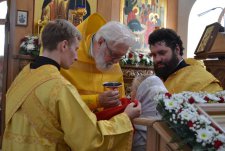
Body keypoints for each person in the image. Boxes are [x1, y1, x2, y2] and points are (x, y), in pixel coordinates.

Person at [2, 19, 141, 151]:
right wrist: (125, 118)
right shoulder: (59, 87)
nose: (76, 56)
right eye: (75, 49)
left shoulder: (22, 77)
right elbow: (90, 139)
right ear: (64, 46)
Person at [61, 13, 136, 111]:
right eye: (114, 55)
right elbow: (59, 99)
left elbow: (119, 102)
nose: (116, 62)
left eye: (120, 57)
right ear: (101, 42)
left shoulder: (114, 65)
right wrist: (96, 101)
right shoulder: (69, 55)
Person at [148, 28, 223, 93]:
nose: (157, 59)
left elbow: (215, 107)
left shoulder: (201, 79)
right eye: (153, 55)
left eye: (162, 53)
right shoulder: (160, 78)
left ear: (177, 49)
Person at [131, 75, 168, 151]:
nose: (130, 94)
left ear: (140, 94)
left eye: (132, 90)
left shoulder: (134, 128)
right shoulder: (169, 123)